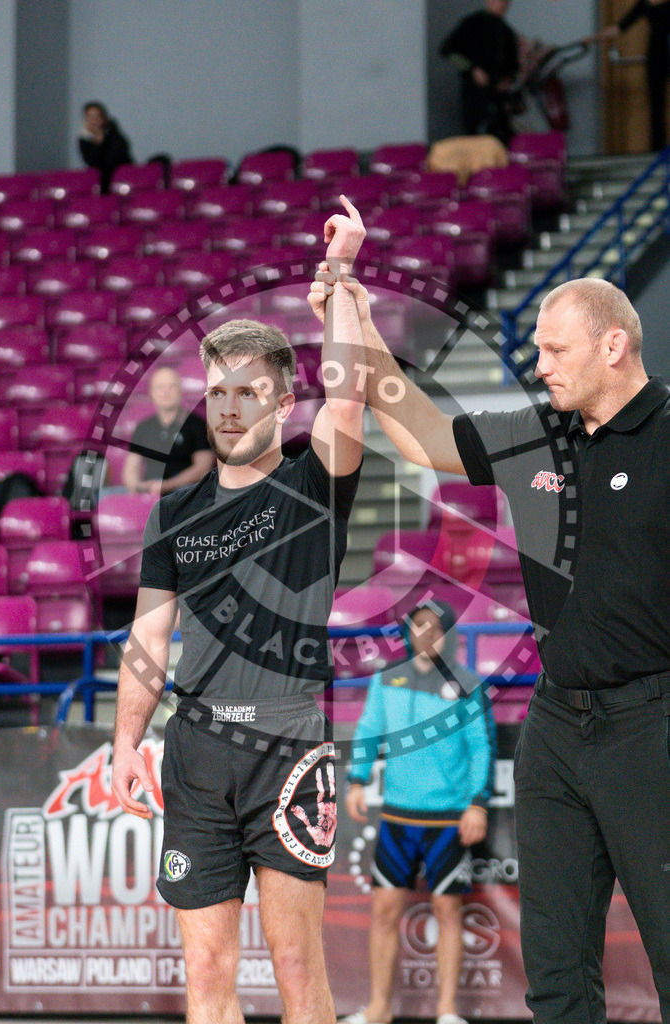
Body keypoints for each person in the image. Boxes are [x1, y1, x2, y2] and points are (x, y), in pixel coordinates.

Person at [309, 259, 670, 1024]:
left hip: (653, 727)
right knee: (554, 968)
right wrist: (360, 315)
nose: (537, 367)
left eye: (554, 351)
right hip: (556, 728)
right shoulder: (536, 432)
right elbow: (416, 430)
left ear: (613, 346)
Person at [111, 196, 366, 1024]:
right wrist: (125, 740)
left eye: (248, 392)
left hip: (285, 739)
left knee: (296, 965)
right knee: (208, 972)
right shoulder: (174, 512)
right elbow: (149, 632)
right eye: (218, 391)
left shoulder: (311, 487)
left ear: (282, 401)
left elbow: (350, 407)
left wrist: (339, 279)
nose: (229, 408)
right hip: (194, 749)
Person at [340, 601, 496, 1024]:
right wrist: (356, 780)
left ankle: (446, 1012)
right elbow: (370, 730)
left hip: (449, 821)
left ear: (449, 634)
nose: (427, 635)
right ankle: (377, 1011)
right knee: (384, 912)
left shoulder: (468, 684)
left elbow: (482, 748)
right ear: (409, 634)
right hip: (397, 819)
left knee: (448, 912)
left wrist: (477, 804)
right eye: (419, 627)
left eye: (435, 628)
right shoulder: (387, 680)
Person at [122, 367, 215, 496]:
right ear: (151, 393)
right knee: (106, 496)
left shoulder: (197, 424)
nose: (166, 392)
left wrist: (165, 486)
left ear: (180, 391)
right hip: (150, 493)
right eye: (160, 387)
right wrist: (136, 487)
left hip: (186, 493)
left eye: (172, 386)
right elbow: (131, 468)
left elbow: (203, 468)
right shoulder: (143, 427)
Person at [439, 0, 520, 144]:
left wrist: (507, 81)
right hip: (475, 94)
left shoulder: (506, 32)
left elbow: (513, 67)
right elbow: (448, 50)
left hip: (499, 97)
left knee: (502, 136)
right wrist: (472, 70)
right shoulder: (472, 24)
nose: (502, 4)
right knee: (477, 138)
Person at [599, 0, 670, 151]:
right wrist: (594, 37)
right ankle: (657, 150)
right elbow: (620, 26)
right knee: (656, 104)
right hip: (656, 54)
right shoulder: (644, 3)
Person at [78, 101, 133, 193]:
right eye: (90, 117)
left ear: (103, 118)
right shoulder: (84, 139)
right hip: (102, 184)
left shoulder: (113, 132)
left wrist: (103, 138)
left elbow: (118, 154)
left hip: (124, 176)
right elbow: (92, 162)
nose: (94, 120)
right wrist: (97, 144)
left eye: (97, 116)